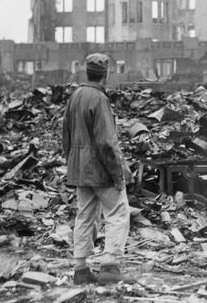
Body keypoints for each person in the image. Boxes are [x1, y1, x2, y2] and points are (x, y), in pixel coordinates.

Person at [62, 53, 133, 285]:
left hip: (80, 169)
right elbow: (106, 142)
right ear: (106, 74)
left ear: (87, 72)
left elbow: (66, 135)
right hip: (100, 169)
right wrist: (118, 174)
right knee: (118, 212)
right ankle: (109, 265)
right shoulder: (100, 99)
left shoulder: (75, 96)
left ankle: (80, 268)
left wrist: (73, 162)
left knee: (84, 215)